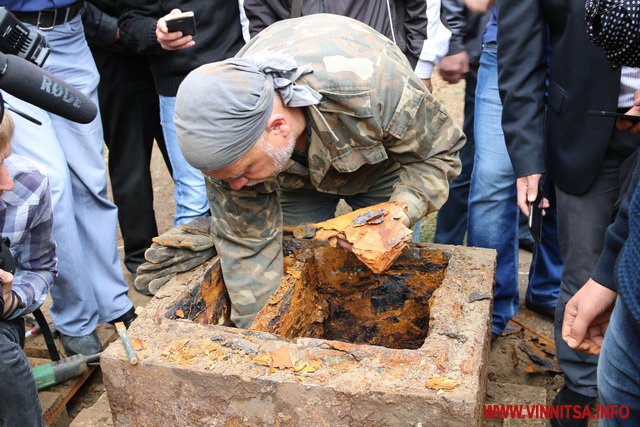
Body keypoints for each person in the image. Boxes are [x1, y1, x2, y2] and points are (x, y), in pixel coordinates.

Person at [174, 14, 466, 328]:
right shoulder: (225, 139)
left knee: (390, 279)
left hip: (380, 167)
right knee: (296, 268)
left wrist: (398, 215)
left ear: (278, 127)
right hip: (294, 181)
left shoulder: (375, 85)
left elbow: (437, 153)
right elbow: (248, 246)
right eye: (227, 178)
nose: (236, 186)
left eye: (242, 172)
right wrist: (262, 336)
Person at [496, 0, 640, 421]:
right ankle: (582, 384)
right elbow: (520, 56)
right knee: (584, 268)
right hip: (583, 133)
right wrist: (528, 158)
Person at [3, 0, 137, 356]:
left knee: (90, 181)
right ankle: (75, 318)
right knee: (53, 185)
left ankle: (113, 300)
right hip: (10, 36)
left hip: (70, 34)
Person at [117, 0, 245, 227]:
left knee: (254, 189)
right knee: (194, 199)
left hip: (242, 73)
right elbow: (130, 22)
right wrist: (156, 32)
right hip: (181, 86)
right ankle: (188, 262)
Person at [83, 0, 172, 276]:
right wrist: (113, 31)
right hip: (116, 55)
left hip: (170, 50)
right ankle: (142, 256)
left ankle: (199, 238)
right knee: (130, 160)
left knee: (187, 153)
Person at [242, 0, 452, 93]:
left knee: (388, 171)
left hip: (381, 77)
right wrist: (269, 75)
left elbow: (423, 5)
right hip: (297, 84)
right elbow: (256, 14)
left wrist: (420, 67)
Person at [0, 111, 56, 426]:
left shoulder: (27, 185)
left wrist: (14, 299)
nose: (6, 182)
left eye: (3, 159)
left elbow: (42, 267)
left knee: (5, 364)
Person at [433, 0, 489, 245]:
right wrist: (454, 42)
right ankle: (446, 243)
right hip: (490, 53)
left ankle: (522, 230)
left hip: (549, 55)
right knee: (474, 160)